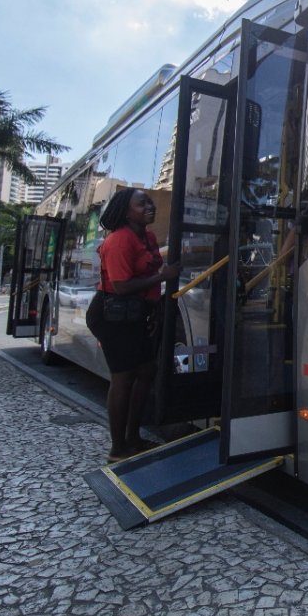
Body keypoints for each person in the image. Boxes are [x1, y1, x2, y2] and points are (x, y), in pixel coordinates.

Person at [86, 188, 181, 463]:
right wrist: (163, 276)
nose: (149, 206)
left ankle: (134, 438)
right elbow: (121, 285)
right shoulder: (119, 241)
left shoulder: (148, 236)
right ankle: (118, 449)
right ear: (126, 211)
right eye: (142, 204)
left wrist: (154, 307)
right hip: (113, 316)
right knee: (123, 378)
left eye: (149, 202)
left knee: (146, 371)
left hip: (137, 314)